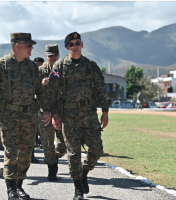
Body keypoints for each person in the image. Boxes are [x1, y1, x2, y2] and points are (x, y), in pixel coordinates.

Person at [0, 33, 52, 200]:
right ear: (18, 46)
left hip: (29, 116)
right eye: (28, 45)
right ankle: (10, 188)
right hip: (9, 117)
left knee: (26, 154)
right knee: (11, 152)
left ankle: (19, 186)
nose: (31, 48)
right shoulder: (0, 65)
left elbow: (40, 91)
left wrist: (46, 110)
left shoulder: (32, 67)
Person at [45, 32, 109, 200]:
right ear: (67, 47)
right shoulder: (59, 66)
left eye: (77, 43)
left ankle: (84, 173)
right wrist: (53, 114)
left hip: (89, 114)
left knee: (96, 149)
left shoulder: (90, 65)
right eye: (71, 44)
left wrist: (105, 112)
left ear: (82, 45)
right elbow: (51, 91)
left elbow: (100, 88)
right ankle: (78, 189)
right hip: (69, 116)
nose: (75, 46)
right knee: (73, 153)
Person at [37, 44, 66, 181]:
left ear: (59, 55)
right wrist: (40, 84)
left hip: (62, 113)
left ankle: (54, 157)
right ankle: (52, 169)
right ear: (46, 56)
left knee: (64, 142)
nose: (52, 57)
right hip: (44, 113)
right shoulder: (40, 71)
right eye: (50, 55)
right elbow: (32, 90)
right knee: (48, 143)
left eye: (55, 55)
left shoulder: (64, 70)